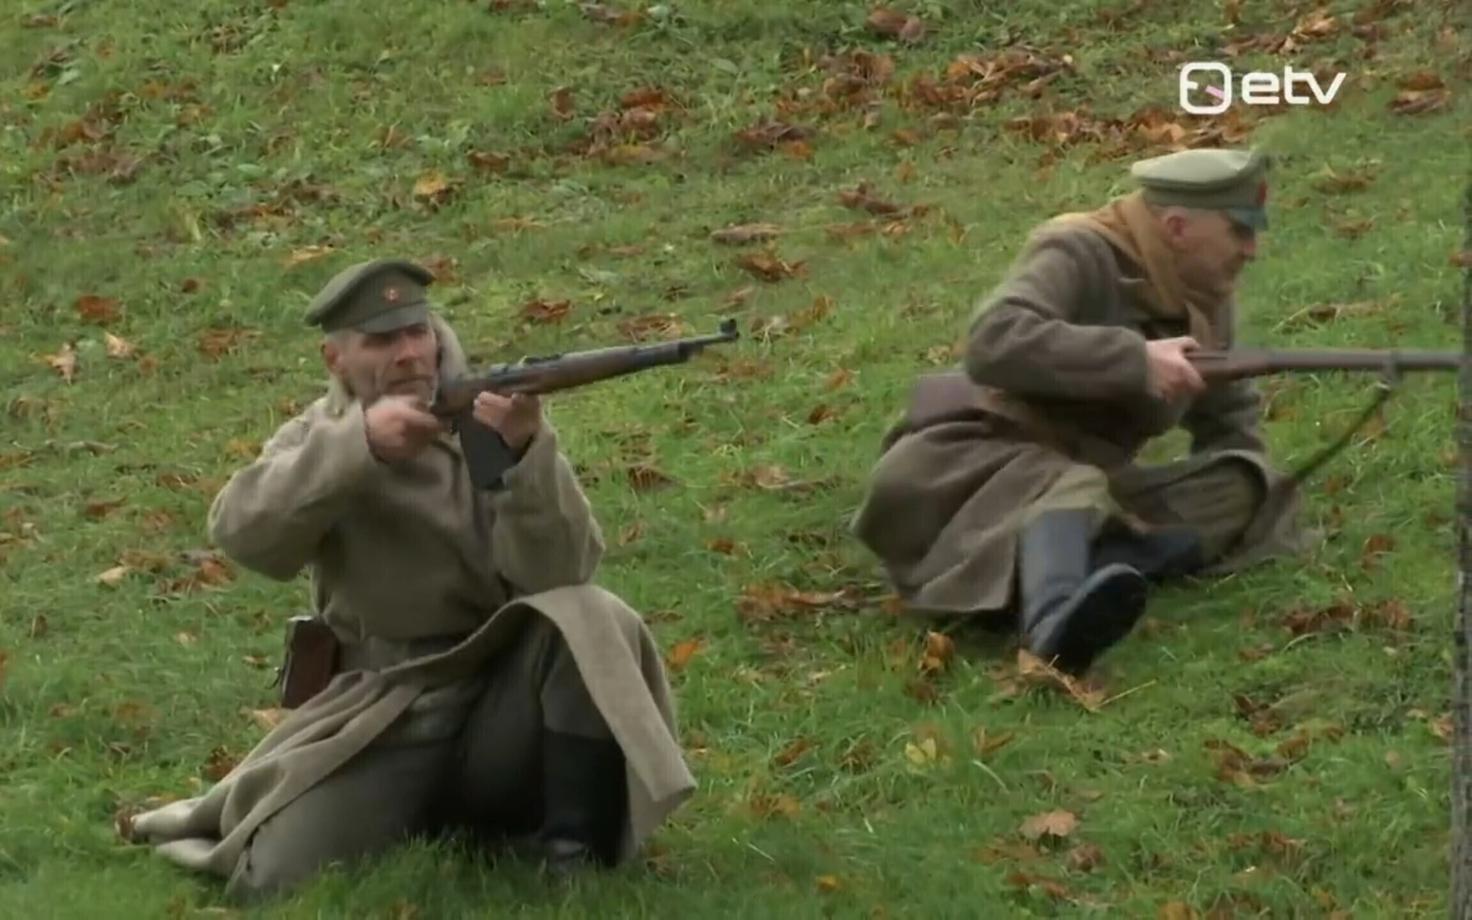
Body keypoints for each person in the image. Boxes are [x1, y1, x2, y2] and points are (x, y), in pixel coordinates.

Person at [121, 259, 696, 900]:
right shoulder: (318, 438)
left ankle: (574, 861)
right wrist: (359, 448)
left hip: (501, 695)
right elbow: (243, 534)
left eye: (416, 333)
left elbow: (562, 575)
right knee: (278, 875)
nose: (407, 354)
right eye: (381, 340)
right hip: (385, 707)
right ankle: (429, 814)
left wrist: (527, 456)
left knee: (593, 614)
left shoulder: (490, 418)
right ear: (335, 359)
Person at [850, 148, 1311, 676]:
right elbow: (993, 339)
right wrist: (1133, 359)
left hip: (1082, 479)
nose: (1251, 250)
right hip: (968, 464)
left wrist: (1255, 497)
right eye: (1238, 232)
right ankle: (1053, 632)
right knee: (1076, 490)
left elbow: (1227, 423)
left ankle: (1086, 572)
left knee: (1243, 483)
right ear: (1178, 227)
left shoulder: (1205, 294)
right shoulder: (1078, 250)